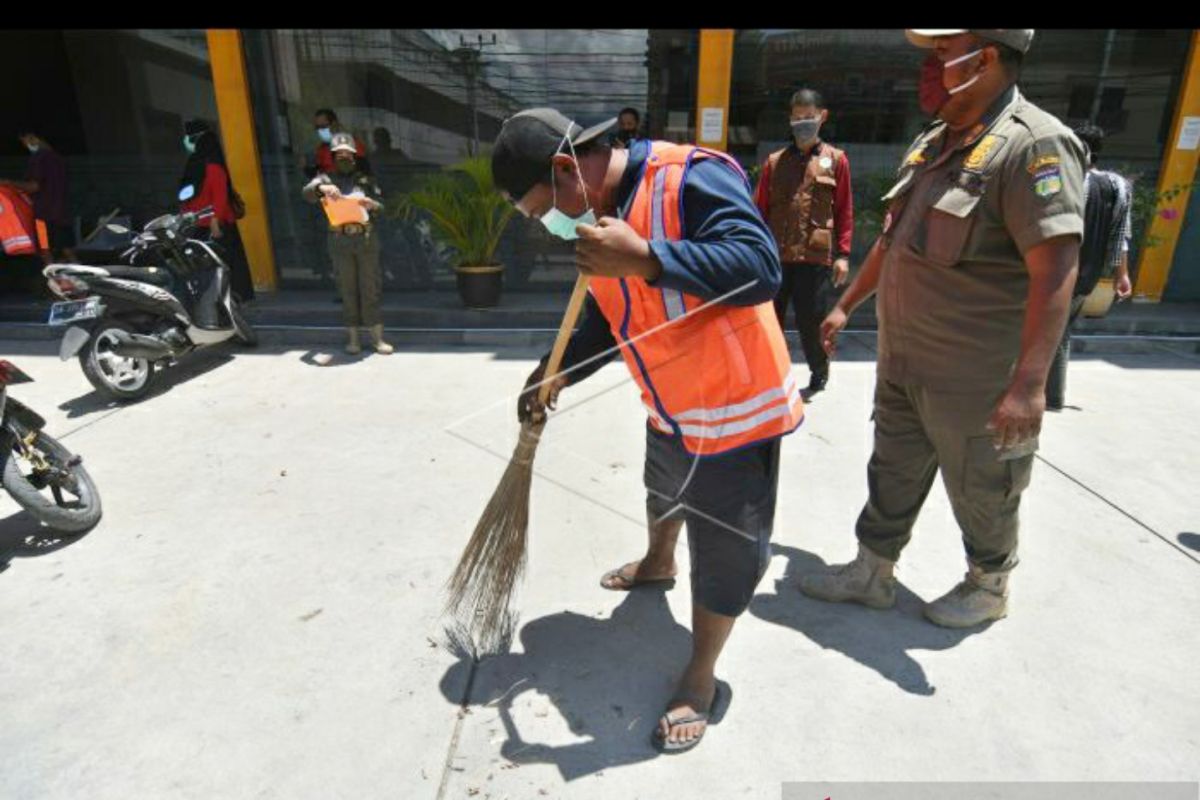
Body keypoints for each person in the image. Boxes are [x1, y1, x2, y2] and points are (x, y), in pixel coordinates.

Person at [492, 108, 801, 753]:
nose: (545, 226)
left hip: (737, 414)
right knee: (662, 490)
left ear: (565, 169)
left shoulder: (689, 179)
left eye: (539, 210)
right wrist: (553, 375)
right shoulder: (595, 226)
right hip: (669, 403)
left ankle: (701, 674)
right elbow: (610, 318)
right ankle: (659, 563)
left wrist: (649, 258)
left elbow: (761, 267)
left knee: (724, 555)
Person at [802, 30, 1086, 628]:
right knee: (893, 466)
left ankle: (989, 584)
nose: (926, 68)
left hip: (975, 375)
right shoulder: (937, 140)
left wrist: (1030, 385)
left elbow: (1056, 268)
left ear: (982, 59)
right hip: (905, 357)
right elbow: (893, 239)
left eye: (938, 54)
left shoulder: (1034, 145)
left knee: (985, 485)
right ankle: (873, 571)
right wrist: (845, 305)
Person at [754, 88, 853, 400]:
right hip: (776, 256)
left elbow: (844, 210)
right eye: (797, 119)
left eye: (808, 118)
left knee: (812, 322)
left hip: (814, 256)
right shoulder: (774, 162)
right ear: (790, 120)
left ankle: (819, 373)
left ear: (822, 117)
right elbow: (759, 211)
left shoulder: (836, 160)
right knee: (769, 319)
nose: (803, 124)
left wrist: (843, 255)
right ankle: (770, 375)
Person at [1045, 123, 1134, 410]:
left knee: (1041, 331)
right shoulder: (1118, 186)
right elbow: (1121, 236)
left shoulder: (1067, 181)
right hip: (1090, 274)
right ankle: (1053, 395)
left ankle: (1042, 394)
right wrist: (1122, 275)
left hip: (1057, 272)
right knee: (1062, 331)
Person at [302, 133, 392, 356]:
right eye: (339, 154)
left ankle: (377, 339)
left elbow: (384, 207)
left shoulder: (367, 179)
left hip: (366, 239)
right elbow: (307, 193)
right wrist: (321, 189)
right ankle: (353, 340)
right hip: (340, 240)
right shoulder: (325, 179)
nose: (344, 157)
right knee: (347, 289)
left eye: (348, 154)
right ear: (333, 156)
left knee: (370, 288)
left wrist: (373, 205)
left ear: (355, 155)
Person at [178, 119, 255, 303]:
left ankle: (235, 297)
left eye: (190, 138)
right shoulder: (195, 164)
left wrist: (215, 220)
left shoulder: (212, 166)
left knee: (227, 263)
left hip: (216, 224)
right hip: (198, 223)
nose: (187, 142)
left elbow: (220, 196)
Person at [0, 129, 72, 264]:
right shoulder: (59, 159)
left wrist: (8, 183)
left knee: (45, 250)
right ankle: (81, 275)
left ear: (33, 138)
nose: (26, 145)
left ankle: (53, 279)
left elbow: (34, 186)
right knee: (67, 249)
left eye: (25, 141)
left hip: (43, 215)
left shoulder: (39, 159)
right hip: (62, 213)